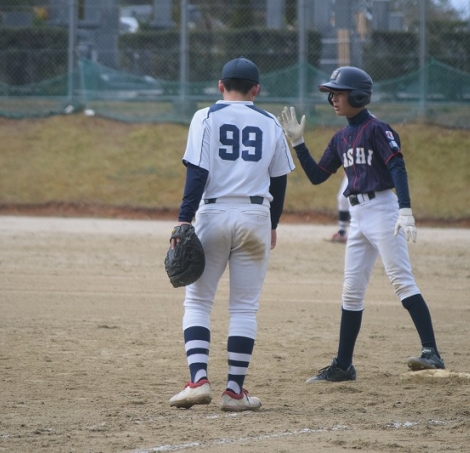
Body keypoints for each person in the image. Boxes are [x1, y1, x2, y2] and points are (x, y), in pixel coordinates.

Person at [278, 66, 445, 383]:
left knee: (401, 281)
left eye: (339, 93)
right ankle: (343, 365)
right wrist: (298, 143)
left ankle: (432, 353)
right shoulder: (340, 137)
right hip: (358, 216)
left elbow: (397, 167)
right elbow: (317, 176)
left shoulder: (376, 129)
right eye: (332, 94)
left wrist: (405, 209)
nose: (333, 99)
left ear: (358, 96)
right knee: (352, 291)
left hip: (383, 210)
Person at [168, 57, 295, 410]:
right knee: (243, 308)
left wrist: (184, 219)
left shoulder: (205, 116)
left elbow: (197, 172)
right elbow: (279, 180)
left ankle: (198, 381)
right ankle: (234, 392)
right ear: (256, 90)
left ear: (220, 86)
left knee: (197, 302)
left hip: (213, 212)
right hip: (256, 215)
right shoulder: (270, 122)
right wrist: (273, 223)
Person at [327, 174, 350, 244]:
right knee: (342, 199)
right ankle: (342, 232)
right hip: (353, 171)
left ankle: (343, 232)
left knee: (344, 199)